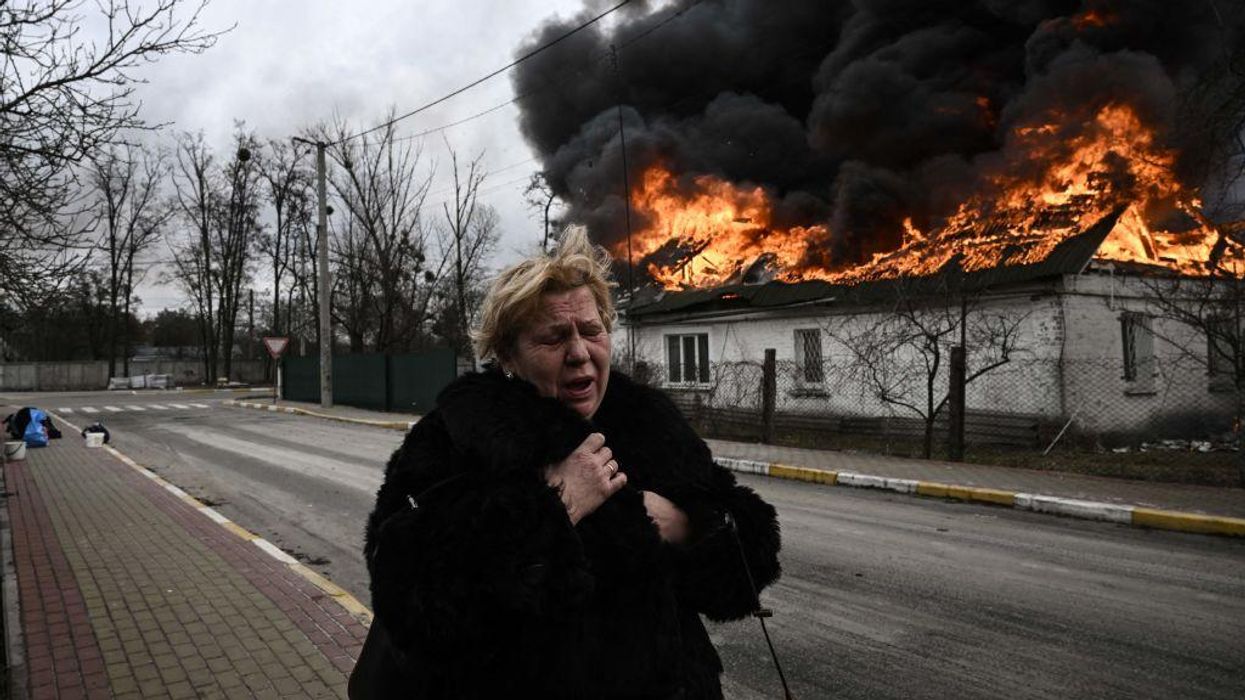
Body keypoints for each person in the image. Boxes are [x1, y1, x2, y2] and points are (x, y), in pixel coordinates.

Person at [350, 228, 782, 699]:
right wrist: (555, 506)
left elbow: (748, 560)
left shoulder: (650, 426)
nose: (579, 353)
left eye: (591, 331)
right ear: (508, 355)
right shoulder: (458, 437)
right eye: (554, 338)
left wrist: (685, 523)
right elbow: (410, 599)